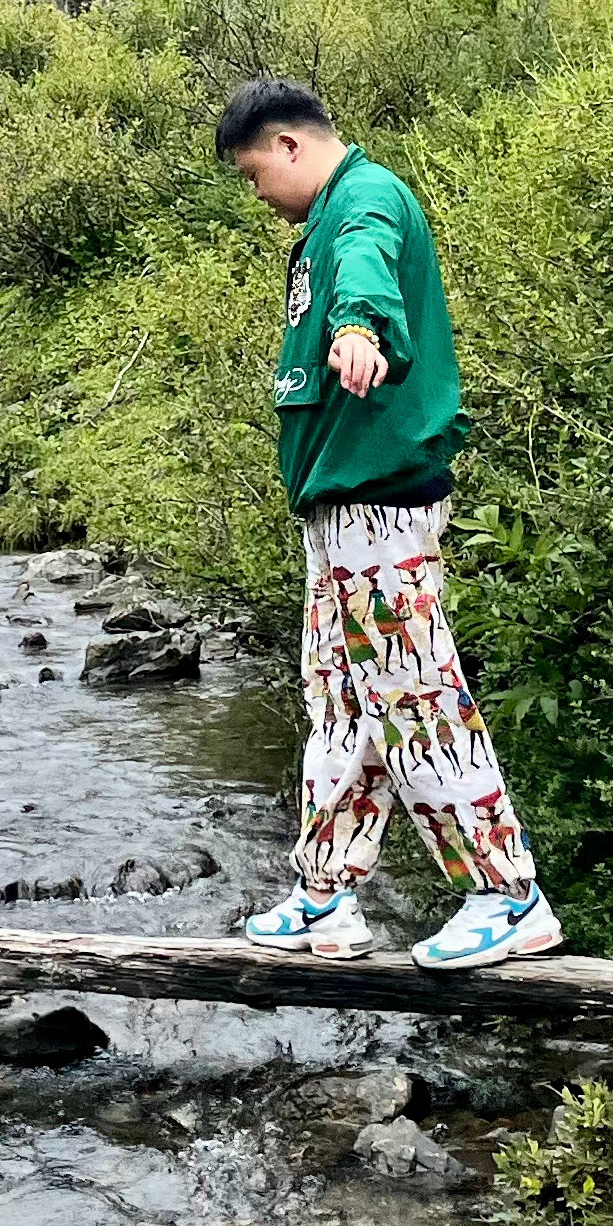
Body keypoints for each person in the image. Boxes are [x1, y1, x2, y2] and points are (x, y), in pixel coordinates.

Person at [215, 73, 560, 968]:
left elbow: (365, 269)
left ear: (289, 145)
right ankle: (325, 894)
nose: (260, 194)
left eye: (256, 174)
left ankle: (507, 892)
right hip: (339, 502)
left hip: (379, 499)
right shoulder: (323, 218)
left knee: (414, 693)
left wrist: (358, 329)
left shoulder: (363, 199)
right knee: (340, 698)